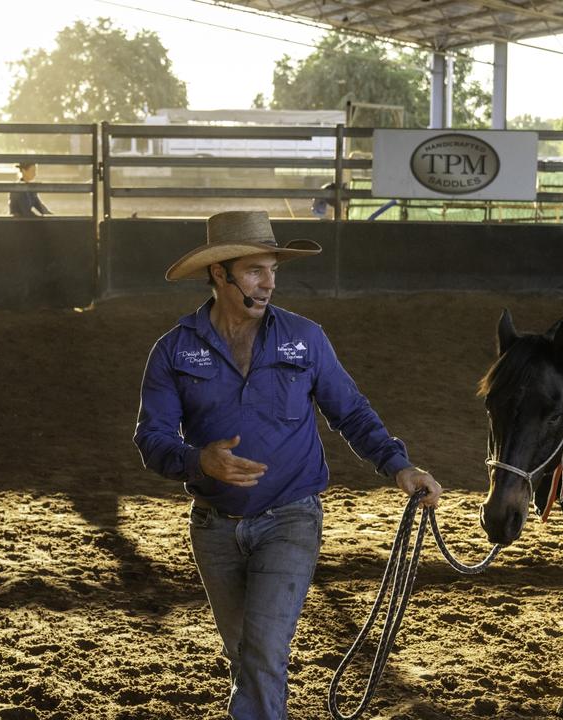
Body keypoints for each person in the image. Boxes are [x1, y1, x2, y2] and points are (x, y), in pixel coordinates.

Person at [133, 210, 441, 720]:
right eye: (255, 270)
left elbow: (351, 412)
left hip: (291, 517)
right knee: (247, 657)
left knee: (261, 653)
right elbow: (151, 438)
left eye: (273, 269)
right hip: (213, 527)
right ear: (220, 274)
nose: (269, 282)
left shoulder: (306, 338)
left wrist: (398, 466)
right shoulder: (174, 350)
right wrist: (198, 461)